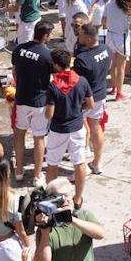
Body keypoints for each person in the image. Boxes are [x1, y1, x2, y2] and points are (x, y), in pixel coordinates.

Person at [45, 48, 95, 206]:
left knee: (53, 163)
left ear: (56, 65)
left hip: (58, 130)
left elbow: (49, 114)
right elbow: (91, 104)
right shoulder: (82, 81)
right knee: (79, 163)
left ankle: (53, 198)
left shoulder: (53, 86)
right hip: (78, 127)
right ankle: (78, 198)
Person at [12, 21, 56, 184]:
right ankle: (37, 176)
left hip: (22, 98)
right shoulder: (47, 55)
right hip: (39, 101)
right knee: (39, 138)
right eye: (50, 35)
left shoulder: (19, 49)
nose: (51, 38)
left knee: (19, 134)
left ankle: (18, 171)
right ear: (45, 36)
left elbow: (15, 72)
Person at [73, 22, 111, 174]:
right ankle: (96, 163)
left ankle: (80, 163)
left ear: (88, 39)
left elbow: (76, 82)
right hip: (100, 96)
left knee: (79, 130)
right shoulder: (106, 50)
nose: (78, 37)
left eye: (81, 35)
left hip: (84, 100)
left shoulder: (82, 59)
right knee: (96, 129)